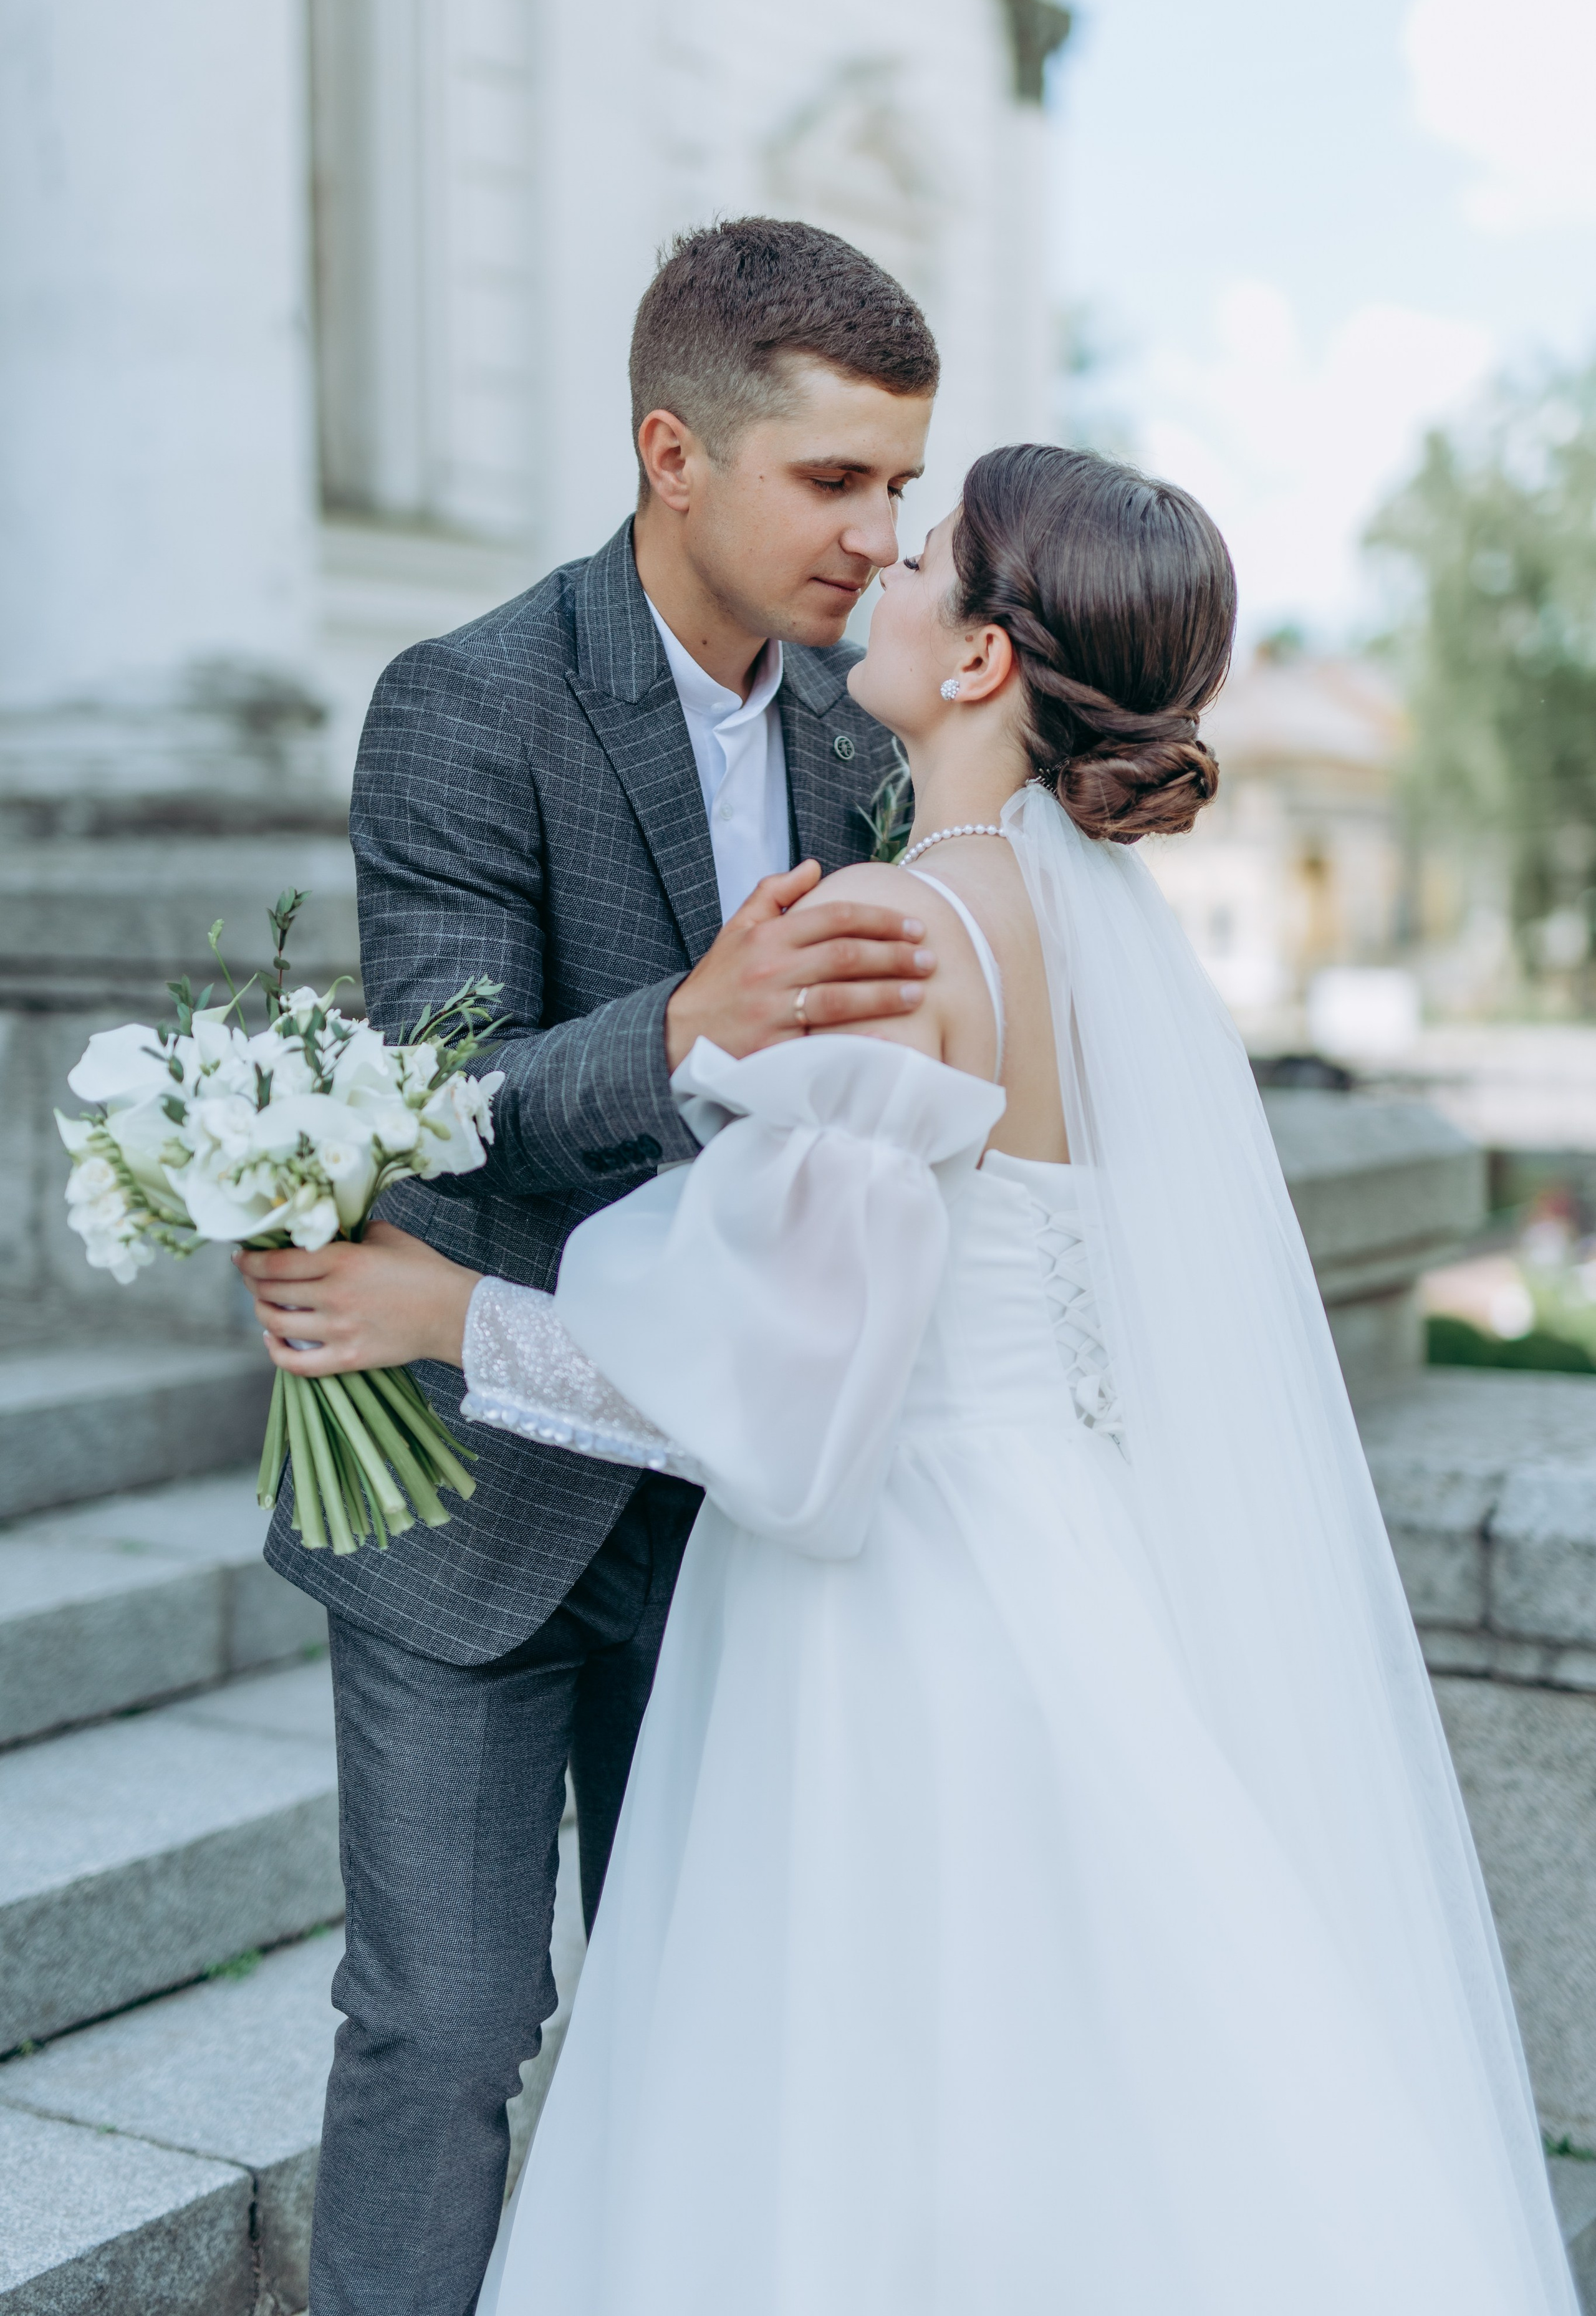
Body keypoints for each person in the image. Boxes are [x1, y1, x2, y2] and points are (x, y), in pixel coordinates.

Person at [245, 444, 1578, 2313]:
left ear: (977, 664)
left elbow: (766, 1380)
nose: (889, 560)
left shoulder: (910, 932)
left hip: (894, 1580)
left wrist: (434, 1315)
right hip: (1042, 1540)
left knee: (850, 2110)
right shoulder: (1040, 911)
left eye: (935, 548)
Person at [258, 216, 943, 2315]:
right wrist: (683, 1030)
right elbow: (440, 1096)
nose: (879, 534)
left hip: (738, 1485)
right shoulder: (464, 703)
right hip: (473, 1479)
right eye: (835, 481)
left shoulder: (866, 732)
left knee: (707, 2028)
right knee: (448, 2034)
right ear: (674, 451)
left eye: (903, 486)